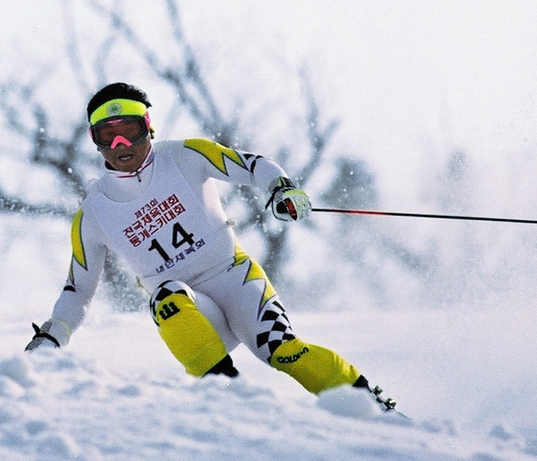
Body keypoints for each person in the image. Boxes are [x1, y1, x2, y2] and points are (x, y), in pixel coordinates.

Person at [25, 82, 396, 412]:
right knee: (166, 297)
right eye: (108, 135)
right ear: (94, 140)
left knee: (285, 352)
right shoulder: (93, 212)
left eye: (131, 131)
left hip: (235, 282)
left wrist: (281, 188)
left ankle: (374, 407)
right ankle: (232, 402)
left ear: (149, 127)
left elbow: (251, 165)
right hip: (193, 313)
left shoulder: (184, 155)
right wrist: (50, 337)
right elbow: (78, 291)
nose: (121, 145)